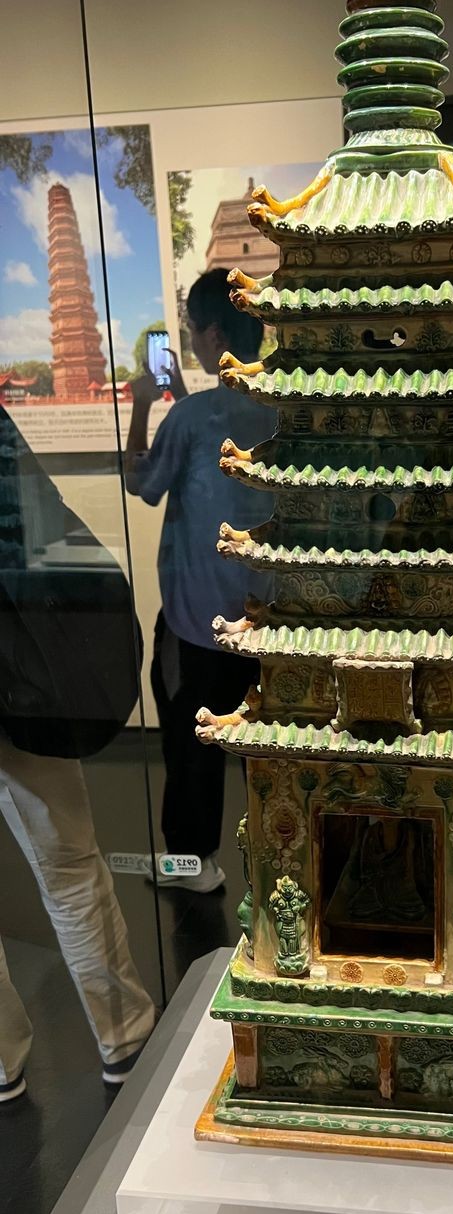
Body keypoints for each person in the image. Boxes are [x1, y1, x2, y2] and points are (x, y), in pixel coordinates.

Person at [0, 405, 156, 1102]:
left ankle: (1, 1061)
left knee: (69, 867)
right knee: (67, 866)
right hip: (19, 679)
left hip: (19, 678)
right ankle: (125, 1039)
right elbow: (34, 519)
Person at [125, 269, 276, 893]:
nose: (189, 342)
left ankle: (192, 865)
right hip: (273, 620)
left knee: (192, 745)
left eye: (192, 332)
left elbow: (143, 481)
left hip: (199, 622)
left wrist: (142, 402)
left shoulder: (190, 418)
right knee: (270, 750)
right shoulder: (284, 411)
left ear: (215, 334)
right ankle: (283, 862)